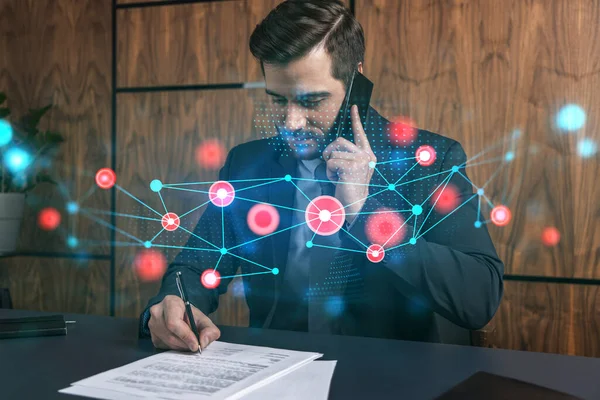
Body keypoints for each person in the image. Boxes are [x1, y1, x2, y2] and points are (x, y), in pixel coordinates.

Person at [140, 0, 504, 352]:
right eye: (279, 100)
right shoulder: (249, 165)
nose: (290, 123)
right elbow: (196, 264)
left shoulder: (426, 162)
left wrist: (366, 210)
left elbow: (479, 298)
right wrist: (173, 302)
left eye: (311, 102)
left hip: (390, 380)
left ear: (356, 83)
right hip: (276, 372)